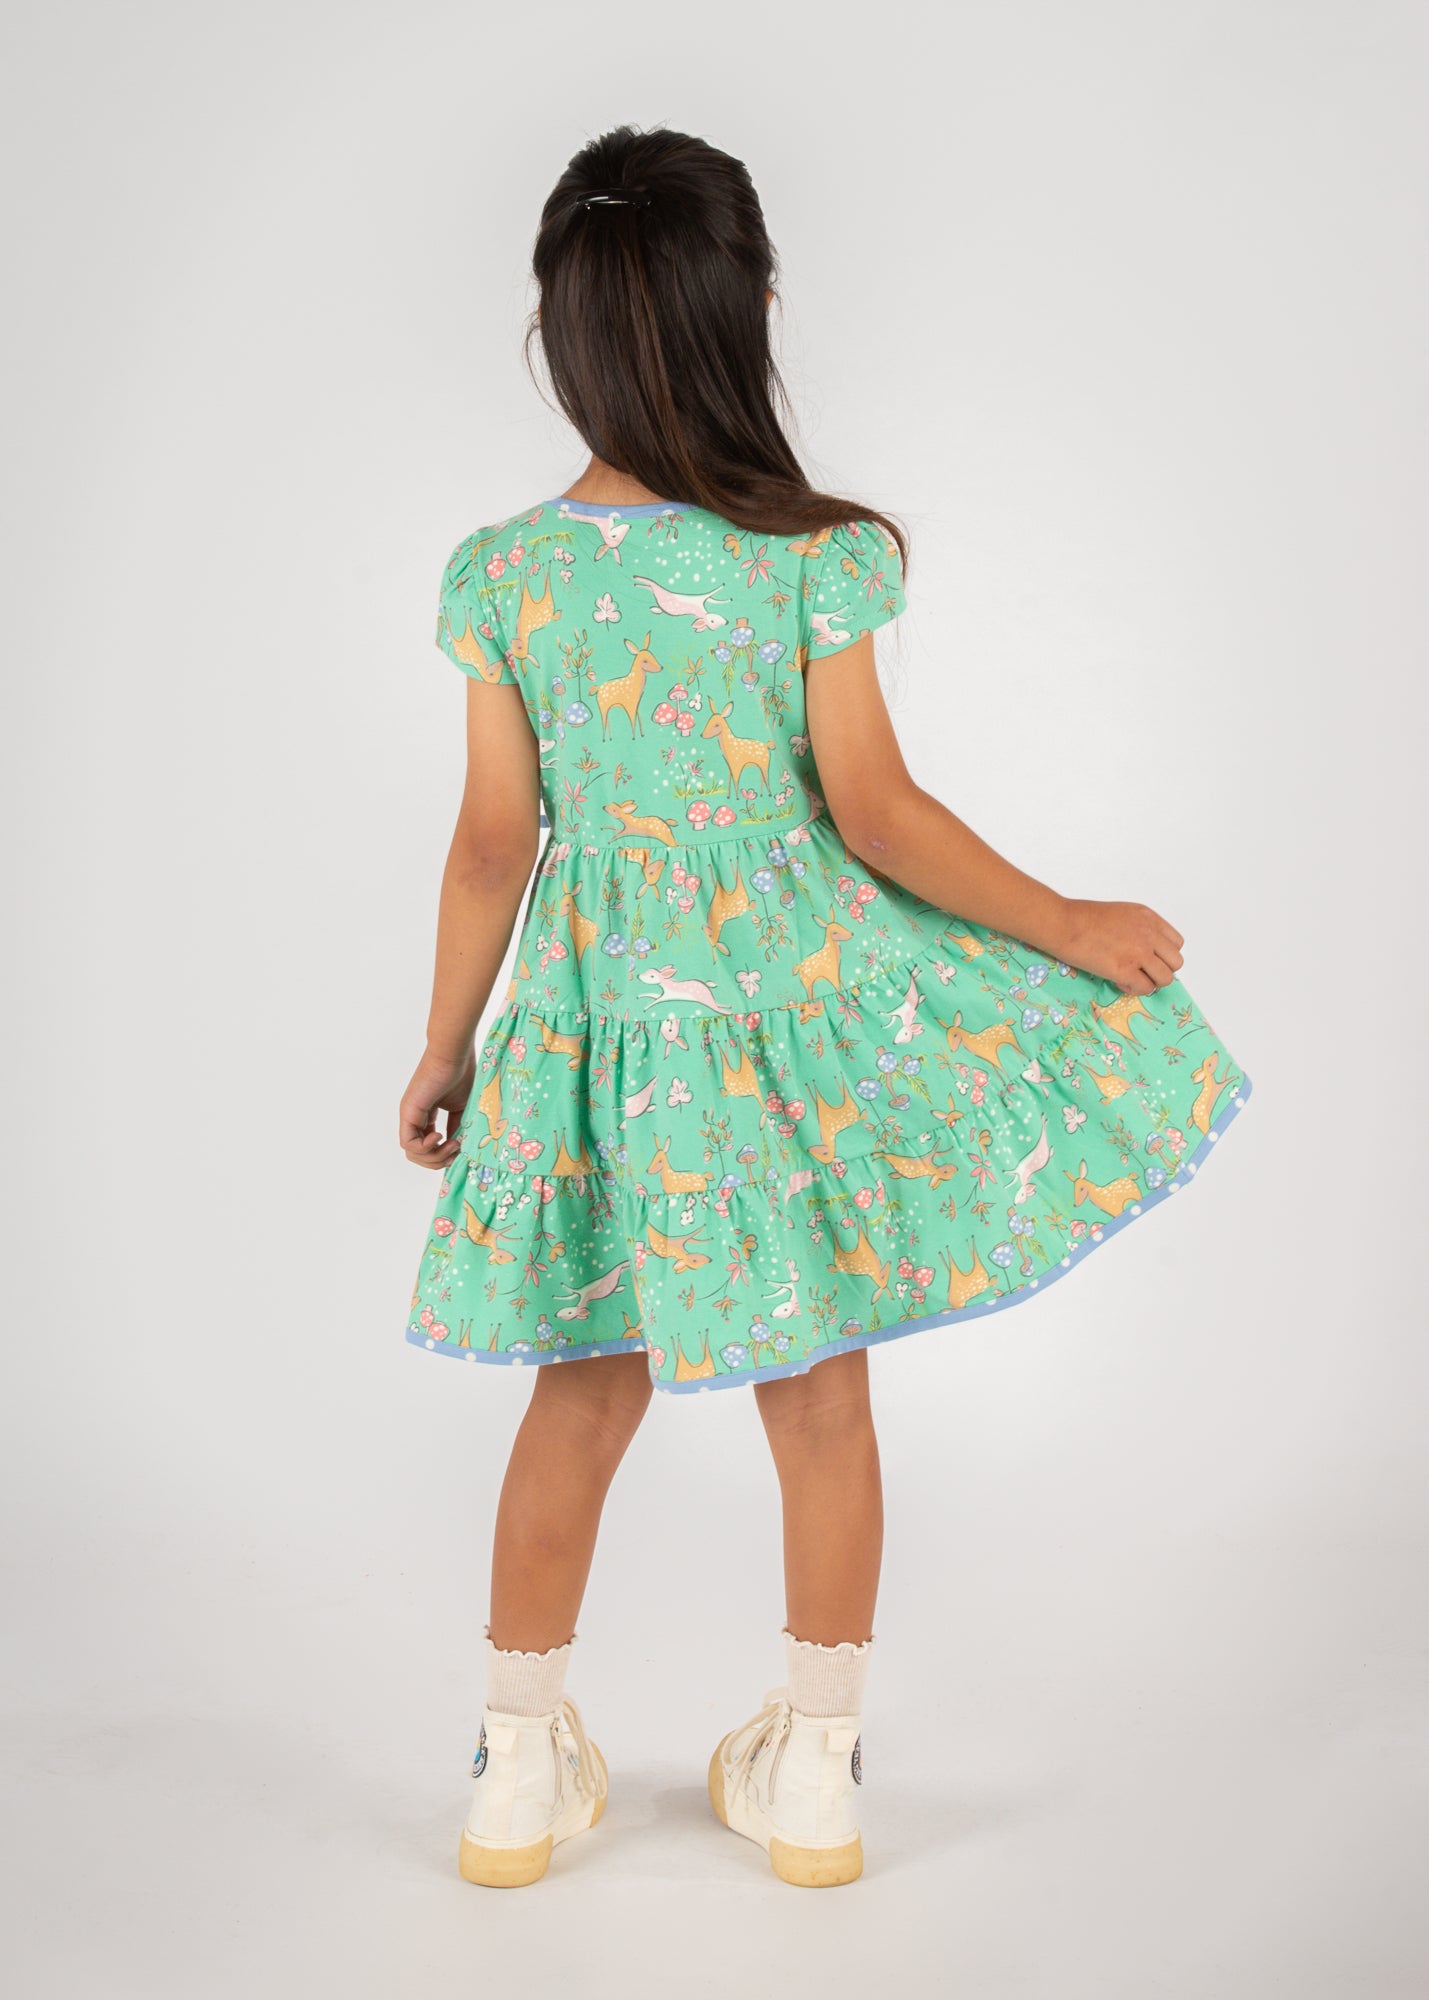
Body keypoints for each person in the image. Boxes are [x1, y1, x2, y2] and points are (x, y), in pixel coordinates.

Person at [398, 125, 1253, 1891]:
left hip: (597, 1048)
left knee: (579, 1393)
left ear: (555, 328)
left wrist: (445, 1045)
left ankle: (513, 1769)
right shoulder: (813, 557)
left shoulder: (506, 574)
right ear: (754, 307)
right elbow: (873, 815)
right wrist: (1063, 923)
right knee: (820, 1400)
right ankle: (815, 1774)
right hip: (785, 1034)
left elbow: (493, 843)